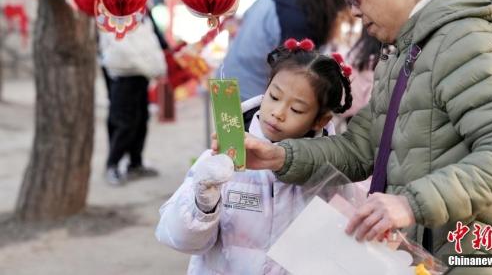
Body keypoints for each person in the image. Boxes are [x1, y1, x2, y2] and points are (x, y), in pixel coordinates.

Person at [218, 0, 492, 273]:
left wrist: (410, 204)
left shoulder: (465, 40)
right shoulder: (406, 50)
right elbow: (361, 148)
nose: (352, 7)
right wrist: (277, 157)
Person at [155, 38, 353, 274]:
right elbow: (177, 238)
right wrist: (203, 203)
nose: (278, 113)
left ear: (321, 119)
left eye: (296, 109)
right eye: (275, 97)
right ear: (266, 87)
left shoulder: (330, 174)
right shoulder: (225, 155)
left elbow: (340, 252)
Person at [219, 0, 348, 100]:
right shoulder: (298, 22)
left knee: (227, 122)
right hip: (246, 94)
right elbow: (293, 83)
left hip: (227, 80)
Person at [100, 14, 167, 185]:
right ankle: (112, 165)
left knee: (141, 121)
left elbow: (151, 43)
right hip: (124, 76)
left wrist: (159, 67)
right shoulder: (114, 13)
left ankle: (135, 164)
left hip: (142, 77)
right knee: (123, 123)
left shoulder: (143, 15)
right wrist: (150, 69)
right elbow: (121, 47)